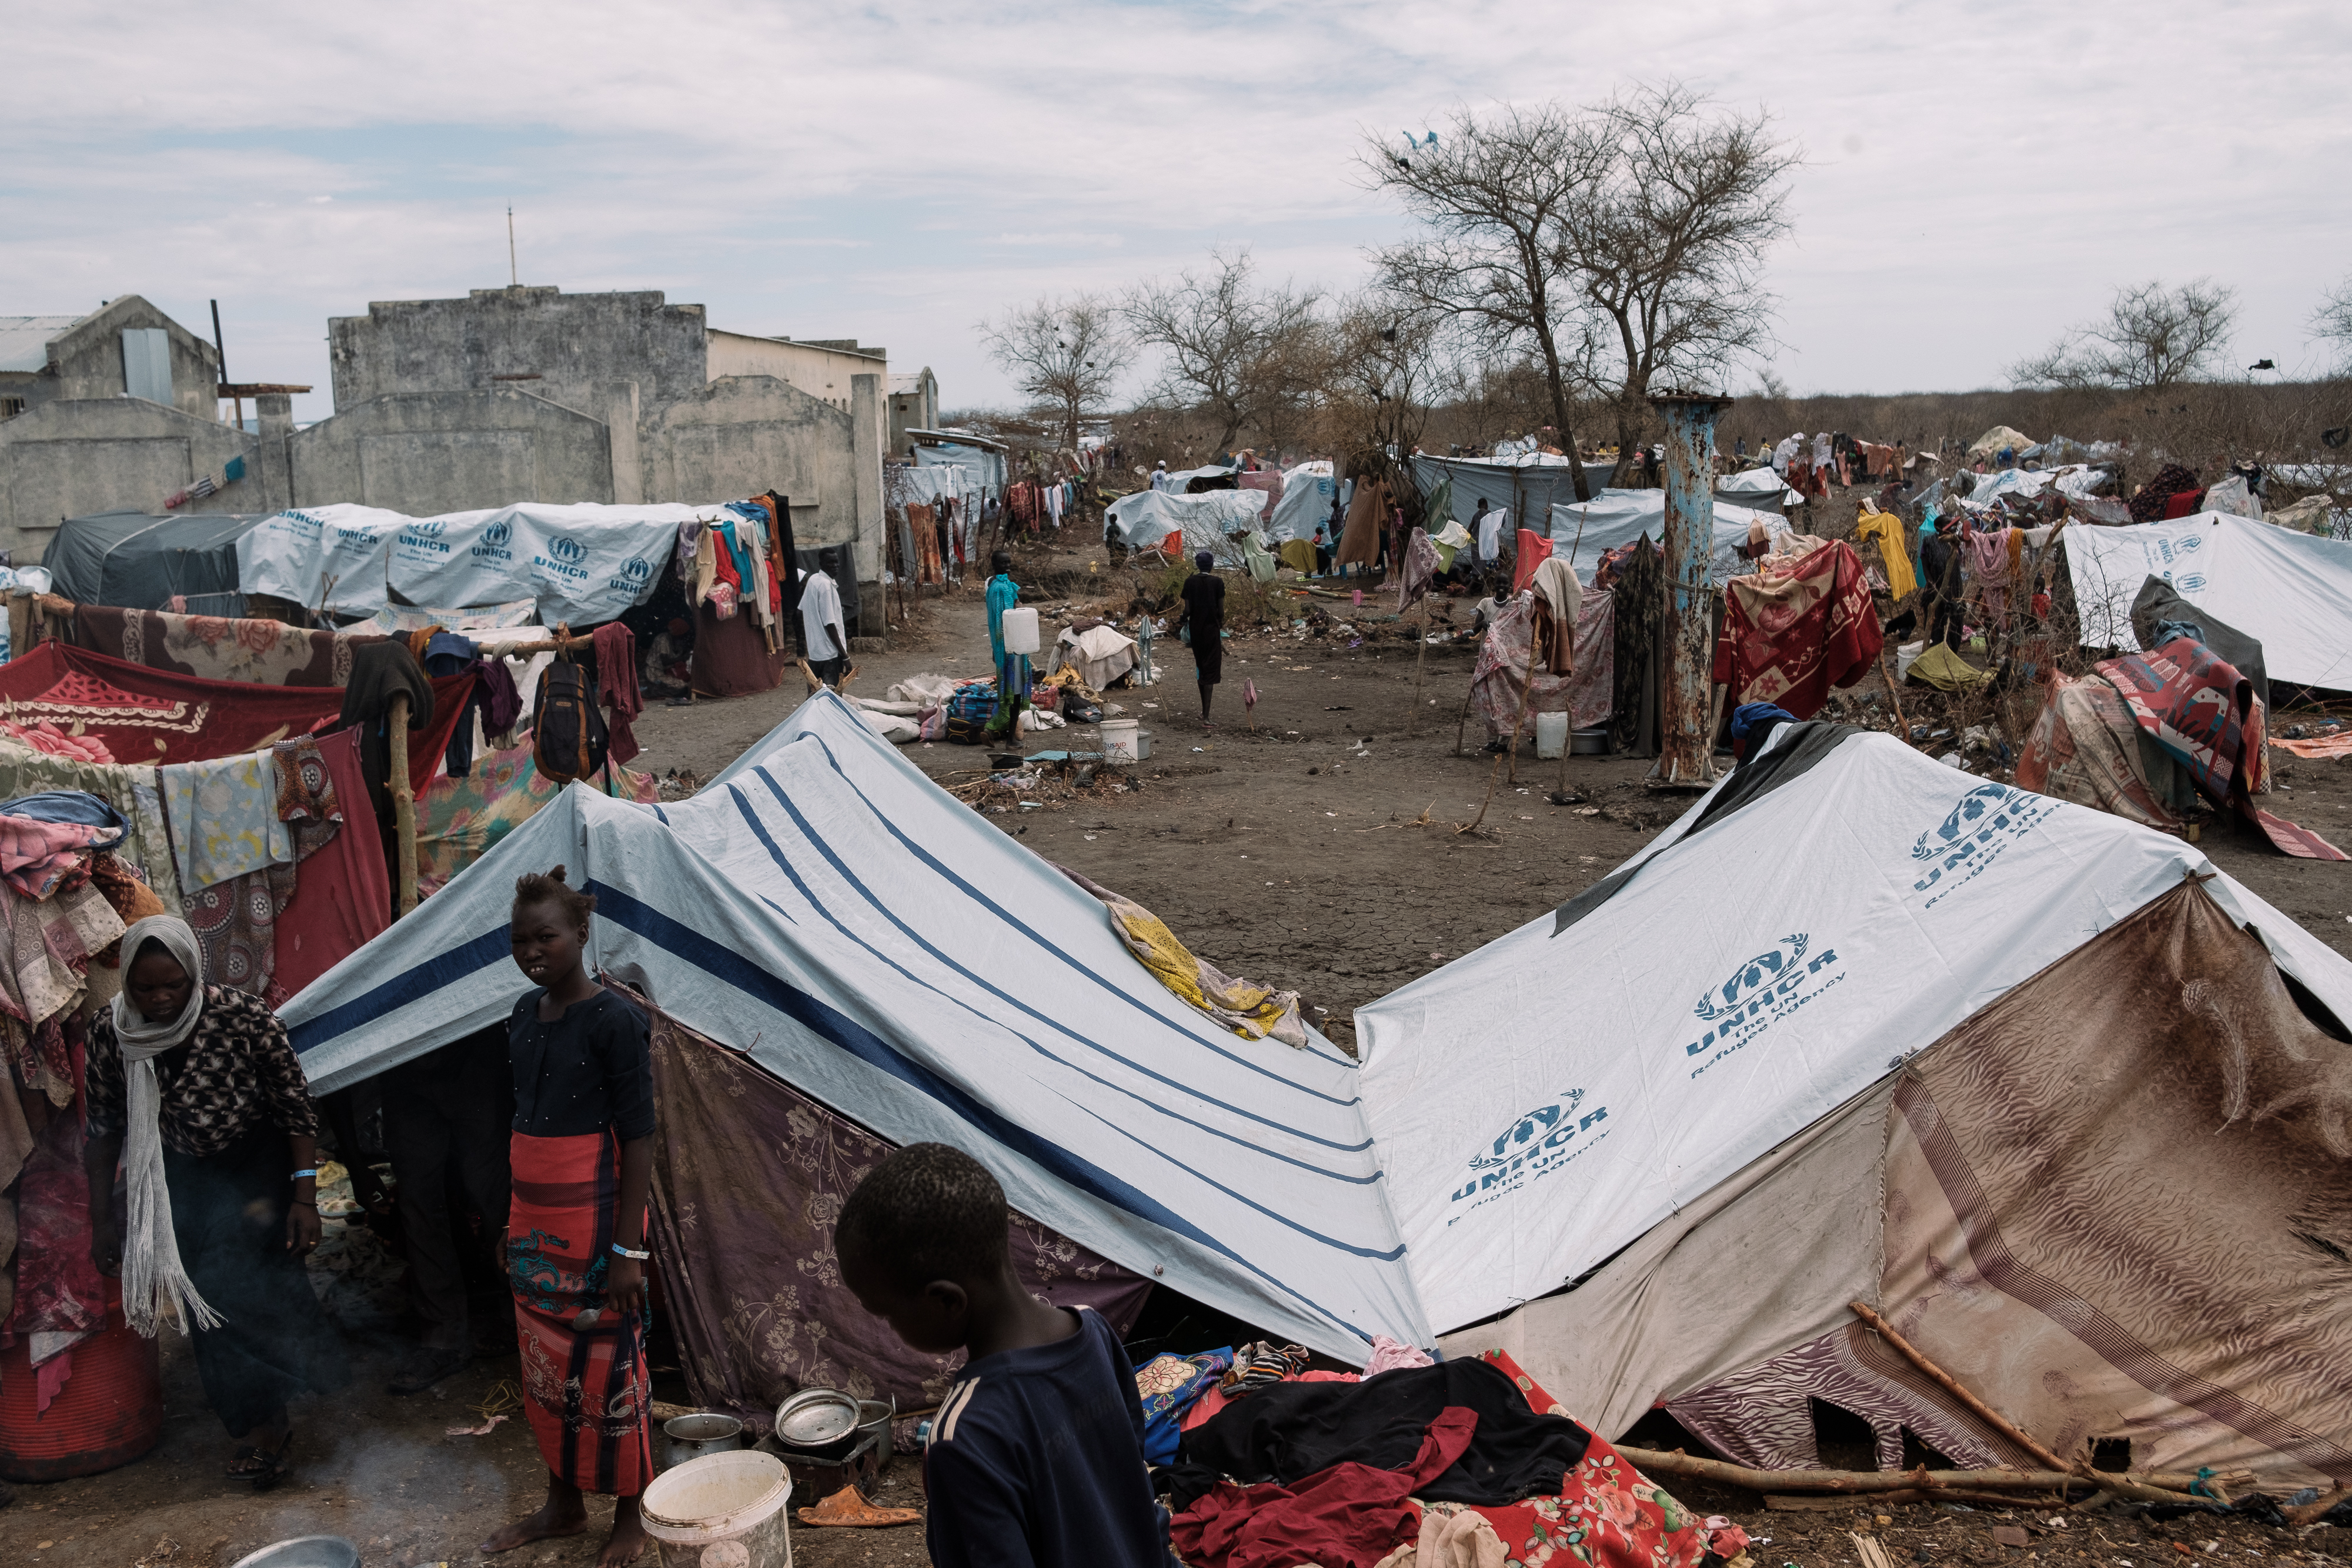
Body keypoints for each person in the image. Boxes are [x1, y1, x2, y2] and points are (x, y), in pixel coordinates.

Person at [83, 915, 347, 1491]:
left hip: (256, 1161)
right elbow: (102, 1128)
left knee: (253, 1284)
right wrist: (104, 1218)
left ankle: (274, 1418)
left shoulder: (242, 1016)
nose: (158, 999)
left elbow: (295, 1108)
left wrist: (306, 1195)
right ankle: (258, 1419)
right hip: (179, 1170)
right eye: (144, 988)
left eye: (172, 985)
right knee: (207, 1297)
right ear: (125, 983)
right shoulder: (111, 1032)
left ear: (193, 975)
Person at [836, 1144, 1173, 1568]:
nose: (888, 1328)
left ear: (945, 1300)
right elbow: (1137, 1490)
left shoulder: (964, 1435)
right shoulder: (1095, 1332)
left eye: (886, 1313)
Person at [481, 868, 656, 1568]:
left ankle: (630, 1513)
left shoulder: (617, 1020)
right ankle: (562, 1504)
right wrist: (511, 1223)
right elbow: (524, 1126)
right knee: (545, 1366)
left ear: (581, 935)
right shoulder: (523, 1016)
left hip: (596, 1224)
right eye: (520, 940)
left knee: (612, 1366)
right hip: (534, 1222)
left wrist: (628, 1252)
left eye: (546, 936)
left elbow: (639, 1138)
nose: (532, 951)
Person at [380, 1025, 514, 1395]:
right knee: (418, 1199)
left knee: (494, 1192)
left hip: (470, 1043)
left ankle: (520, 1316)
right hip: (400, 1050)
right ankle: (443, 1337)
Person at [1171, 550, 1225, 727]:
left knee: (1201, 668)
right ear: (1212, 565)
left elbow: (1187, 610)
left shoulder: (1190, 582)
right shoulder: (1218, 583)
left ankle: (1204, 712)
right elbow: (1221, 611)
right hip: (1211, 632)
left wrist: (1180, 620)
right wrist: (1219, 623)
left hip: (1196, 632)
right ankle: (1207, 717)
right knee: (1210, 672)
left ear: (1197, 565)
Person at [985, 551, 1025, 740]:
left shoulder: (1004, 585)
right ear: (995, 565)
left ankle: (992, 729)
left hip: (1009, 645)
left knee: (1008, 689)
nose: (1007, 566)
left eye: (1009, 562)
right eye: (1003, 563)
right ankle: (1010, 739)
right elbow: (1003, 620)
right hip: (1012, 646)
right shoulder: (1000, 589)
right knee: (1015, 691)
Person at [801, 547, 849, 687]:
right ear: (821, 564)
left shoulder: (813, 580)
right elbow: (830, 624)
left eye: (836, 562)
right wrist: (845, 656)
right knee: (831, 699)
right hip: (830, 656)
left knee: (814, 696)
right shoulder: (825, 586)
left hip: (815, 653)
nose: (835, 566)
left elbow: (801, 610)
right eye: (830, 563)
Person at [1919, 519, 1963, 649]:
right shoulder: (1929, 542)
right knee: (1938, 624)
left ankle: (1951, 653)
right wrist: (1931, 584)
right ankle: (1938, 653)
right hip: (1936, 589)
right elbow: (1925, 565)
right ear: (1939, 528)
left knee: (1954, 623)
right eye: (1948, 526)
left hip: (1954, 589)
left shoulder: (1953, 543)